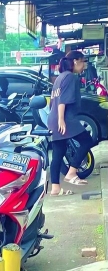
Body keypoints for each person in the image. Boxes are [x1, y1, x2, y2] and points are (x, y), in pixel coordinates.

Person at [47, 51, 94, 196]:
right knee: (87, 141)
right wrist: (61, 119)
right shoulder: (70, 77)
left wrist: (57, 119)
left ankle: (55, 188)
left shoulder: (60, 78)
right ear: (75, 61)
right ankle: (72, 173)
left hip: (54, 119)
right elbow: (63, 101)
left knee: (58, 154)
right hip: (65, 119)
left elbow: (54, 101)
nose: (84, 65)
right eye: (83, 61)